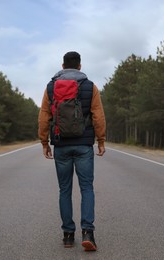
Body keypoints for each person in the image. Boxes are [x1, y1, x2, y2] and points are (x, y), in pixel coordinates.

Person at [38, 51, 106, 251]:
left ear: (62, 65)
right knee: (87, 188)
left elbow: (43, 117)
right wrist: (100, 140)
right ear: (80, 66)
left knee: (64, 190)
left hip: (61, 145)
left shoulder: (51, 87)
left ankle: (68, 235)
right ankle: (88, 233)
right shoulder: (89, 86)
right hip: (84, 145)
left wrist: (45, 142)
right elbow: (98, 116)